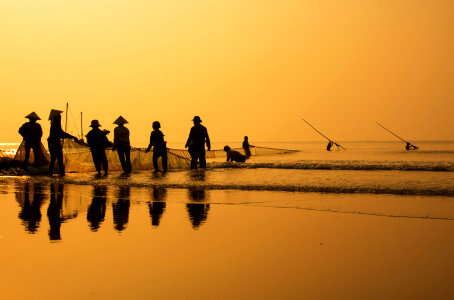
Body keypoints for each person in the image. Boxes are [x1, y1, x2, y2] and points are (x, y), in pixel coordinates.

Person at [48, 109, 78, 176]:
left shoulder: (54, 124)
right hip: (54, 143)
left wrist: (71, 137)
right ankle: (61, 173)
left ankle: (52, 173)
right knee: (58, 158)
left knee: (54, 158)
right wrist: (73, 137)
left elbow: (61, 133)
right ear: (56, 117)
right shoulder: (55, 124)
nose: (60, 118)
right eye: (59, 116)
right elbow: (61, 133)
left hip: (53, 143)